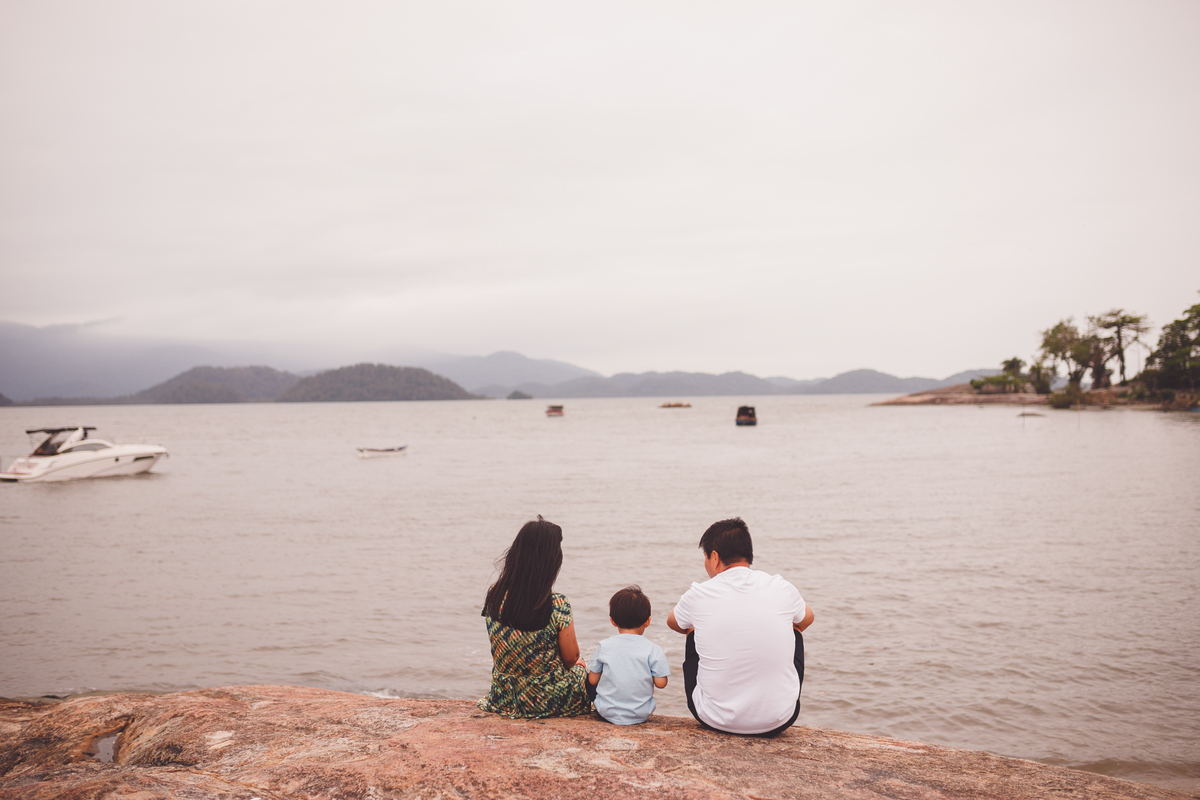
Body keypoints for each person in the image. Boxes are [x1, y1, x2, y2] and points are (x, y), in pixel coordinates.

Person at [667, 517, 814, 736]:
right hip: (780, 719)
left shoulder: (698, 594)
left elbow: (673, 622)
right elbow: (807, 618)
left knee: (692, 628)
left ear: (714, 557)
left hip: (713, 718)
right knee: (795, 627)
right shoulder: (780, 586)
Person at [477, 516, 592, 718]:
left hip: (505, 696)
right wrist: (579, 664)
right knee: (584, 669)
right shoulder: (557, 604)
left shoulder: (495, 594)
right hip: (548, 699)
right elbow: (571, 659)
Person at [585, 585, 671, 725]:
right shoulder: (654, 649)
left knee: (589, 675)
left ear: (612, 621)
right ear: (648, 621)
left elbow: (593, 680)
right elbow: (661, 684)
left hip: (606, 712)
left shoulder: (604, 646)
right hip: (641, 714)